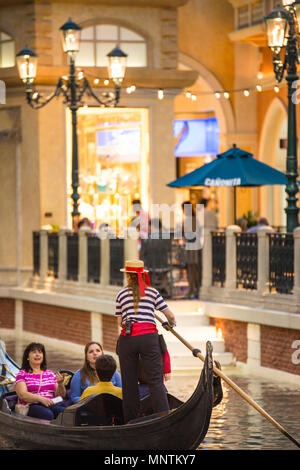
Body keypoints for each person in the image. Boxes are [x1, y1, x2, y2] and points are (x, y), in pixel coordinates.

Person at [115, 259, 176, 423]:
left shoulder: (121, 294)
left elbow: (119, 322)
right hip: (149, 338)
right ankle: (164, 418)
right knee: (155, 380)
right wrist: (171, 324)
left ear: (128, 276)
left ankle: (131, 421)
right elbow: (169, 315)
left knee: (129, 382)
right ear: (142, 274)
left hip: (128, 339)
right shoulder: (152, 292)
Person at [15, 342, 66, 420]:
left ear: (43, 356)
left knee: (64, 413)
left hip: (50, 404)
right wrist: (41, 399)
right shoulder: (22, 373)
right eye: (34, 352)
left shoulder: (50, 373)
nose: (37, 354)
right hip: (31, 405)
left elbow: (60, 396)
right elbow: (22, 395)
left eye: (40, 352)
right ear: (27, 357)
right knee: (47, 414)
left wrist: (61, 384)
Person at [181, 201, 200, 299]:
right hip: (192, 246)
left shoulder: (191, 220)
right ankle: (194, 290)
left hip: (192, 247)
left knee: (193, 269)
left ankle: (193, 290)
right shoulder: (193, 219)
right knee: (192, 269)